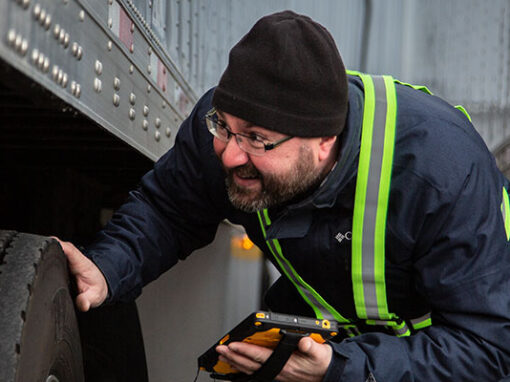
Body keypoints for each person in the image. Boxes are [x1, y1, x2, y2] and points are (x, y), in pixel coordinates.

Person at [58, 10, 510, 382]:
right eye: (225, 127)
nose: (232, 155)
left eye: (258, 139)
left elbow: (488, 349)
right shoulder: (224, 128)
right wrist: (107, 268)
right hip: (333, 342)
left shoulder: (441, 171)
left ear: (324, 143)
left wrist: (342, 370)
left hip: (440, 359)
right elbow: (168, 209)